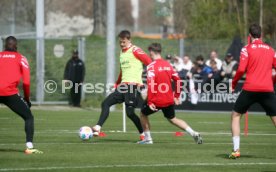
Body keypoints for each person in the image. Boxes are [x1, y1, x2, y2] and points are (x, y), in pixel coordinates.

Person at [138, 43, 203, 144]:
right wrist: (176, 96)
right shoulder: (168, 65)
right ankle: (193, 133)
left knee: (142, 114)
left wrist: (150, 101)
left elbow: (150, 84)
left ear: (151, 52)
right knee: (173, 119)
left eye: (149, 52)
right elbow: (178, 81)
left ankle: (148, 139)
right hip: (168, 99)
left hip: (156, 100)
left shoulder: (151, 66)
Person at [92, 30, 152, 140]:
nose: (121, 44)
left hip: (132, 86)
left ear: (129, 40)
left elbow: (150, 63)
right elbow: (122, 71)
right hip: (123, 86)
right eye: (120, 42)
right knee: (105, 103)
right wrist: (116, 84)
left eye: (123, 42)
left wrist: (151, 79)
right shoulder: (122, 52)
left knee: (130, 113)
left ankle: (143, 134)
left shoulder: (136, 50)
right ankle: (98, 127)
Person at [229, 24, 276, 159]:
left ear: (249, 36)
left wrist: (233, 83)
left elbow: (241, 69)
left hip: (250, 88)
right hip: (267, 89)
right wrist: (272, 82)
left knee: (236, 116)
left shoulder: (246, 49)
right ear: (261, 35)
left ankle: (236, 150)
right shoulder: (271, 50)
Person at [0, 36, 43, 154]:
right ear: (16, 46)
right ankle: (29, 146)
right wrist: (27, 99)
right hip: (10, 94)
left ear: (4, 45)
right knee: (28, 117)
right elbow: (26, 82)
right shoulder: (21, 58)